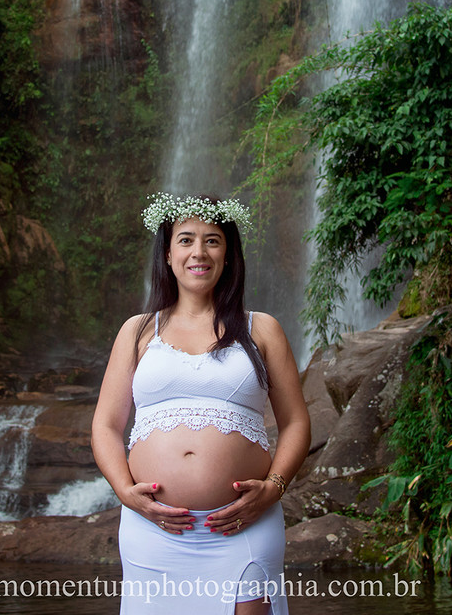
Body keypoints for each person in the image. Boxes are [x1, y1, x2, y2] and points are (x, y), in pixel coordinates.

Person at [92, 193, 311, 614]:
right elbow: (105, 426)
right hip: (153, 530)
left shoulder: (261, 329)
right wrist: (124, 492)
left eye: (212, 240)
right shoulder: (137, 331)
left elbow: (297, 423)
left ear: (228, 255)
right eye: (186, 239)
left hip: (244, 525)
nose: (199, 252)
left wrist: (273, 488)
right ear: (168, 253)